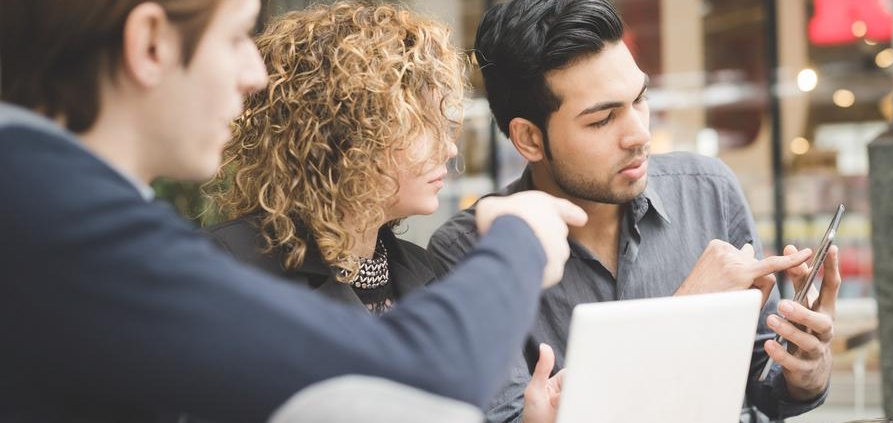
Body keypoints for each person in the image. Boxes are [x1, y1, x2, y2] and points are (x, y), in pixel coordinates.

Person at [0, 0, 587, 422]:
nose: (254, 75)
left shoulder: (44, 200)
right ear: (150, 41)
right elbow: (424, 371)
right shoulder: (58, 219)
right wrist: (519, 237)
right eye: (234, 37)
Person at [428, 0, 842, 422]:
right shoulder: (467, 253)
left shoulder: (707, 191)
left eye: (640, 98)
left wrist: (805, 373)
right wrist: (683, 313)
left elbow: (761, 384)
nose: (640, 134)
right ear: (530, 139)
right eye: (603, 120)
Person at [203, 2, 463, 315]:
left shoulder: (427, 272)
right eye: (423, 126)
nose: (450, 149)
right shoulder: (226, 267)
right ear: (346, 131)